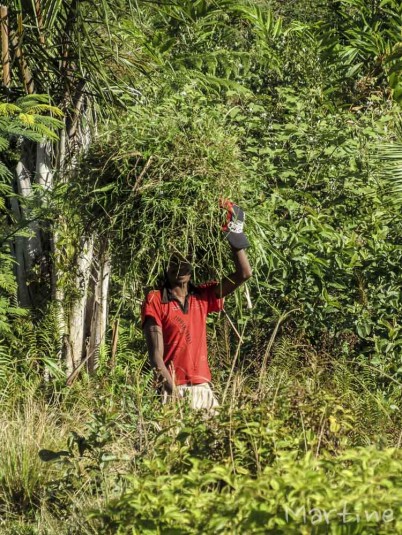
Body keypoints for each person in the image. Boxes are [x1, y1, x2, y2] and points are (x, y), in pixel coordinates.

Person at [141, 201, 252, 411]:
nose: (180, 267)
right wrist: (175, 398)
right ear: (165, 268)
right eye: (174, 262)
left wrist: (234, 235)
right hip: (171, 390)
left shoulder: (203, 296)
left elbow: (244, 274)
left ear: (192, 265)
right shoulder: (155, 300)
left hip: (202, 389)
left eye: (185, 262)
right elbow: (156, 359)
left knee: (216, 442)